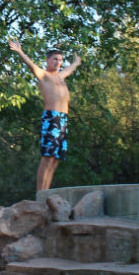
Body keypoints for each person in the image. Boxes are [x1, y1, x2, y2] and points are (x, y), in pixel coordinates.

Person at [9, 40, 82, 192]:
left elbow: (70, 69)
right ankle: (40, 193)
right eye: (55, 59)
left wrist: (76, 62)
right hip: (52, 118)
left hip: (62, 120)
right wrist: (19, 51)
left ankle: (46, 191)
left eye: (60, 60)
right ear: (48, 60)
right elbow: (31, 65)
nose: (58, 62)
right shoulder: (44, 75)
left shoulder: (60, 77)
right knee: (47, 158)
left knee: (55, 159)